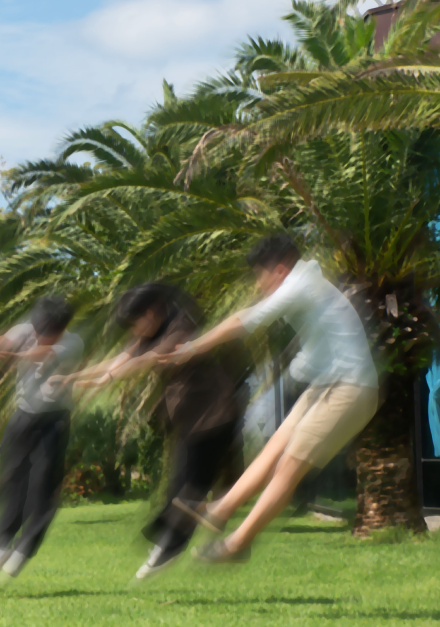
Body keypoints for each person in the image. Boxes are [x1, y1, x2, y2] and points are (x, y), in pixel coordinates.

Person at [161, 234, 379, 562]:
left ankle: (237, 544)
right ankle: (221, 510)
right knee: (275, 447)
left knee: (289, 464)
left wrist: (192, 347)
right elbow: (325, 341)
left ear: (277, 270)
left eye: (259, 277)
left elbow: (245, 320)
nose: (258, 286)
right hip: (328, 384)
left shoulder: (300, 284)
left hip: (351, 387)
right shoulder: (308, 285)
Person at [69, 284, 248, 578]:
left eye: (135, 322)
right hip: (191, 418)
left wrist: (109, 378)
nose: (135, 330)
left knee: (189, 483)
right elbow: (121, 358)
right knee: (185, 483)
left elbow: (148, 360)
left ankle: (172, 547)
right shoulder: (150, 330)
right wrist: (73, 377)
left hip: (214, 414)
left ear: (151, 312)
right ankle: (172, 544)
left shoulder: (180, 327)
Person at [0, 295, 84, 580]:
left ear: (60, 330)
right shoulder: (27, 329)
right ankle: (0, 545)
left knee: (43, 484)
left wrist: (14, 356)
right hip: (23, 415)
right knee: (12, 478)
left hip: (54, 418)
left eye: (45, 334)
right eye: (36, 331)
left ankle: (24, 549)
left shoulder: (72, 343)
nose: (37, 336)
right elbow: (5, 341)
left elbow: (40, 355)